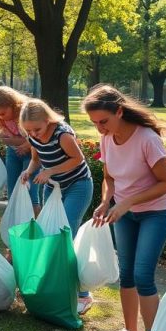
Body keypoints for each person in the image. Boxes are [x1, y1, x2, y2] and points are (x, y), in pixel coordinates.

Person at [84, 84, 166, 331]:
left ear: (119, 111)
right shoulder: (107, 138)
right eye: (95, 123)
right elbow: (109, 178)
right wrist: (106, 201)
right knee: (127, 276)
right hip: (123, 213)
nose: (100, 128)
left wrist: (126, 203)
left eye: (104, 121)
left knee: (143, 275)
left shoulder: (147, 139)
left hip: (154, 213)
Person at [19, 99, 96, 315]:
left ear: (48, 120)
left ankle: (82, 294)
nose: (33, 134)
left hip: (78, 185)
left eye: (37, 129)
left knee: (65, 234)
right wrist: (30, 171)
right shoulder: (33, 136)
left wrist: (50, 171)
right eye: (29, 131)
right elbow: (36, 159)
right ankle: (54, 285)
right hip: (52, 187)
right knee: (48, 234)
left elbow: (77, 159)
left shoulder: (62, 134)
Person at [0, 87, 39, 213]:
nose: (1, 117)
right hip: (13, 153)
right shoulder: (1, 119)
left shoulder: (27, 114)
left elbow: (35, 139)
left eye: (3, 113)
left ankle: (35, 229)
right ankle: (15, 225)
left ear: (14, 105)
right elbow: (12, 138)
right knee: (12, 192)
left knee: (31, 194)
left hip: (31, 156)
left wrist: (22, 144)